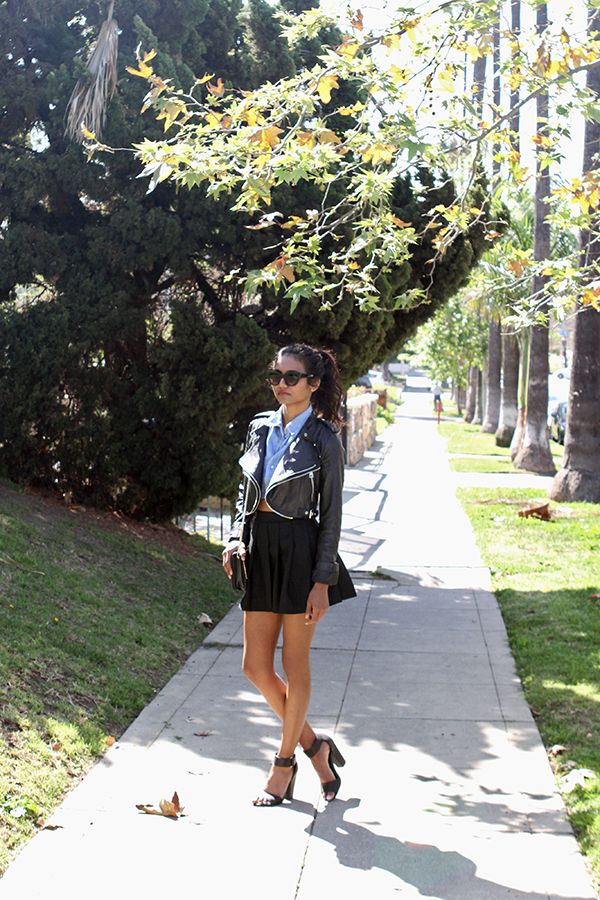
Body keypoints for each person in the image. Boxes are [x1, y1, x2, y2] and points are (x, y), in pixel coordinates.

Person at [222, 343, 356, 807]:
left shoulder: (324, 439)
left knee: (294, 663)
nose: (281, 384)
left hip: (301, 550)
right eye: (276, 375)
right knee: (254, 666)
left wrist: (322, 581)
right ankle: (317, 748)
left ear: (313, 384)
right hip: (259, 549)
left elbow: (332, 516)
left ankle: (284, 764)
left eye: (292, 377)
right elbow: (244, 492)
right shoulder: (259, 426)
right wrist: (235, 537)